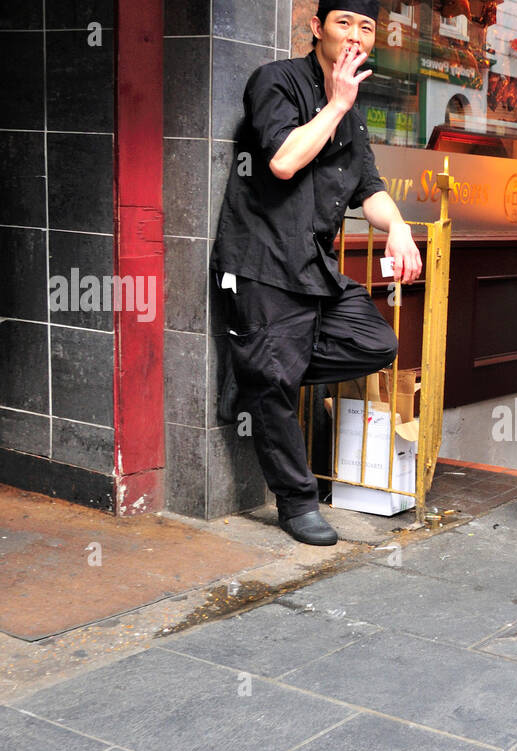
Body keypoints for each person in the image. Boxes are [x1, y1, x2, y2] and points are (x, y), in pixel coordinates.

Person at [211, 1, 423, 546]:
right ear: (316, 28)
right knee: (276, 381)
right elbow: (283, 159)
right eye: (343, 22)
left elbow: (369, 187)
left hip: (312, 267)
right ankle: (297, 501)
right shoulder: (275, 80)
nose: (355, 35)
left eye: (367, 27)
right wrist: (336, 102)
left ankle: (259, 371)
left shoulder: (351, 113)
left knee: (375, 342)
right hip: (261, 262)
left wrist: (397, 227)